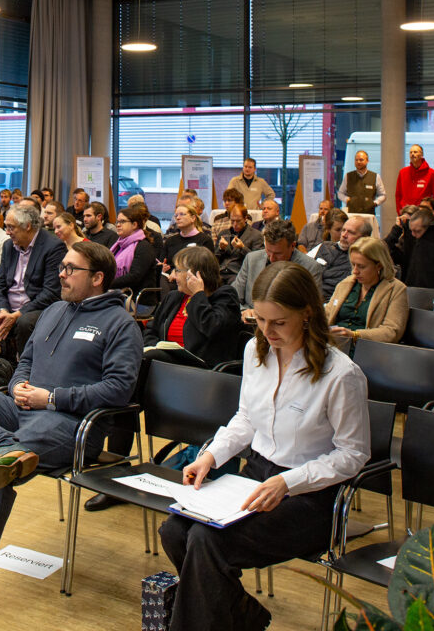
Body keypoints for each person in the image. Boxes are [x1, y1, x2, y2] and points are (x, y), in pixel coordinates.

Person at [0, 241, 142, 629]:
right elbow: (26, 361)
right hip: (24, 413)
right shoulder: (54, 311)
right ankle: (4, 448)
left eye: (71, 269)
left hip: (72, 426)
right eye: (62, 267)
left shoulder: (121, 324)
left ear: (97, 278)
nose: (61, 274)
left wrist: (51, 398)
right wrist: (18, 386)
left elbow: (119, 389)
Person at [160, 260, 370, 631]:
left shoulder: (341, 374)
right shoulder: (255, 352)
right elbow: (246, 418)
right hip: (256, 475)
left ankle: (232, 619)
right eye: (259, 320)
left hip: (310, 496)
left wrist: (288, 482)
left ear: (307, 314)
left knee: (207, 542)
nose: (267, 331)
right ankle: (243, 615)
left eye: (279, 322)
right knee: (175, 531)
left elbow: (353, 454)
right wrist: (211, 455)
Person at [85, 246, 243, 512]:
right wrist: (151, 346)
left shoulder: (224, 296)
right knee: (132, 384)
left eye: (178, 271)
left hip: (204, 380)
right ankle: (117, 471)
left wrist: (198, 296)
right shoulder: (173, 298)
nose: (172, 276)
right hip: (164, 375)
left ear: (197, 274)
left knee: (129, 386)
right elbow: (152, 330)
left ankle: (109, 426)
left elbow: (212, 327)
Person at [0, 204, 67, 359]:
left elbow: (51, 293)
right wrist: (3, 310)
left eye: (11, 227)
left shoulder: (53, 247)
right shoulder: (8, 246)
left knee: (25, 323)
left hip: (35, 308)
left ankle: (25, 368)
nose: (7, 232)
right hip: (9, 307)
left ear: (28, 226)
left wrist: (18, 314)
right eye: (6, 227)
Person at [326, 236, 408, 349]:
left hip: (367, 349)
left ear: (379, 265)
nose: (355, 271)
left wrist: (355, 335)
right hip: (334, 345)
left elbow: (392, 332)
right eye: (353, 264)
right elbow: (327, 314)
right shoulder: (346, 284)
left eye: (361, 266)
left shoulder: (396, 289)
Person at [232, 220, 323, 317]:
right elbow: (232, 297)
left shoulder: (310, 268)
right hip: (250, 321)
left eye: (278, 254)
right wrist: (244, 311)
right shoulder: (251, 260)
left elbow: (313, 310)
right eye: (268, 251)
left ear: (292, 246)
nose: (272, 258)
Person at [384, 206, 434, 288]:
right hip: (410, 288)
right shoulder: (409, 244)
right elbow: (384, 248)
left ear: (428, 228)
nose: (413, 234)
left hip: (433, 289)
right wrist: (397, 229)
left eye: (417, 231)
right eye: (411, 231)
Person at [110, 206, 157, 294]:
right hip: (117, 293)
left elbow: (134, 277)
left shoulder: (144, 246)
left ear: (134, 225)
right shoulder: (118, 245)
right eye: (117, 221)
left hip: (136, 296)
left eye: (122, 221)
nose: (118, 225)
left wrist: (106, 283)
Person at [215, 204, 263, 283]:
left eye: (238, 221)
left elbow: (257, 261)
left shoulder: (256, 235)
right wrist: (221, 249)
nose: (235, 224)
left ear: (245, 218)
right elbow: (215, 260)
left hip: (238, 273)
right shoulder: (223, 234)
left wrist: (242, 248)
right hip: (221, 272)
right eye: (232, 221)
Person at [163, 204, 214, 270]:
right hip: (171, 275)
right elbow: (163, 263)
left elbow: (208, 268)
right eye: (176, 215)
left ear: (193, 218)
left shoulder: (205, 240)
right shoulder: (170, 241)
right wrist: (163, 268)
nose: (178, 218)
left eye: (182, 214)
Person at [395, 144, 434, 212]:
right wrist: (400, 212)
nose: (412, 154)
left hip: (423, 213)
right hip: (406, 213)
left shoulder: (431, 173)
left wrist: (432, 212)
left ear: (422, 154)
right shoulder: (402, 172)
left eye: (415, 152)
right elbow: (398, 195)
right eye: (411, 152)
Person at [338, 150, 386, 214]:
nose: (358, 162)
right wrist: (348, 200)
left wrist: (374, 203)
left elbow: (383, 195)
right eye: (356, 160)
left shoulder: (375, 177)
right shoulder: (348, 176)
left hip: (369, 214)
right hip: (352, 214)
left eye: (361, 160)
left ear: (367, 161)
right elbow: (340, 193)